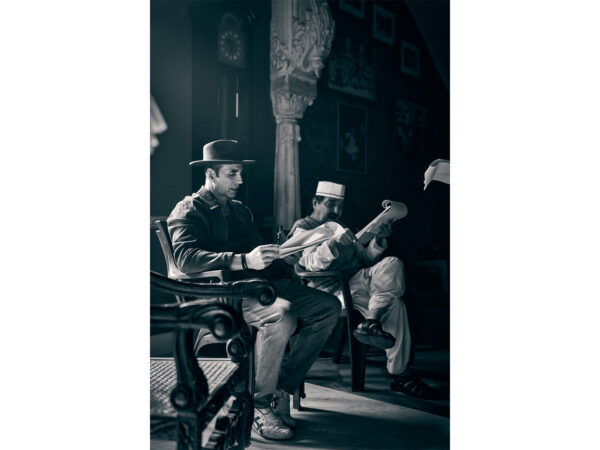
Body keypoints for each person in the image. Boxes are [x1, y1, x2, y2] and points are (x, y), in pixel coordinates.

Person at [166, 140, 341, 441]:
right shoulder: (188, 209)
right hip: (219, 294)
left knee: (328, 307)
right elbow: (185, 259)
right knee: (281, 313)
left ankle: (279, 388)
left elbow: (258, 250)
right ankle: (259, 405)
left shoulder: (239, 211)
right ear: (211, 173)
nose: (240, 180)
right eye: (232, 173)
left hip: (255, 286)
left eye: (240, 173)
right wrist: (244, 260)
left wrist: (284, 253)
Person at [287, 181, 436, 399]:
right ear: (315, 202)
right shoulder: (304, 227)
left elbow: (364, 259)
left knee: (393, 263)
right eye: (330, 204)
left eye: (340, 205)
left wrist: (378, 239)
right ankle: (401, 374)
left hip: (359, 280)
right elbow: (309, 263)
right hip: (331, 291)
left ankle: (370, 322)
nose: (336, 210)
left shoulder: (340, 226)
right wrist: (334, 244)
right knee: (395, 305)